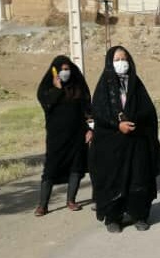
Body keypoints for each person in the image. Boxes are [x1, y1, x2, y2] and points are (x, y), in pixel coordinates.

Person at [91, 46, 160, 233]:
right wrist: (118, 124)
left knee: (137, 178)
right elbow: (99, 112)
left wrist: (134, 120)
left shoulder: (136, 84)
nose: (121, 63)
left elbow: (148, 111)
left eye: (124, 59)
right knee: (113, 180)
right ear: (109, 63)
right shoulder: (104, 86)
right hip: (111, 145)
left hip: (136, 142)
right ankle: (113, 217)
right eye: (117, 59)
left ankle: (138, 215)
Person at [35, 55, 92, 217]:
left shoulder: (77, 87)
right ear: (55, 71)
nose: (65, 72)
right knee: (50, 169)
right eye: (62, 70)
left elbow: (86, 111)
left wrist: (89, 129)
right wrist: (57, 89)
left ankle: (71, 200)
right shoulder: (47, 88)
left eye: (67, 69)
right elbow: (47, 105)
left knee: (76, 167)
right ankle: (42, 205)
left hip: (77, 134)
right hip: (56, 137)